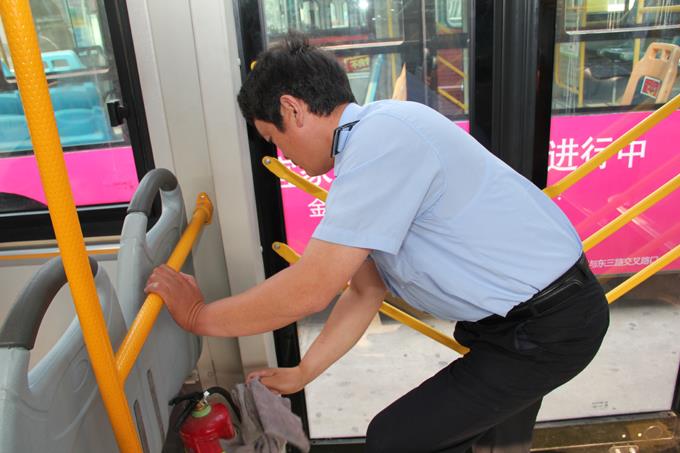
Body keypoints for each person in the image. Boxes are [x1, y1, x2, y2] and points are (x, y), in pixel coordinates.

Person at [145, 32, 610, 452]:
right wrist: (305, 371)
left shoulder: (382, 141)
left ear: (292, 109)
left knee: (395, 439)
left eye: (273, 139)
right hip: (521, 322)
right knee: (482, 438)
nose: (281, 155)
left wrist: (199, 317)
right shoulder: (371, 142)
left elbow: (312, 287)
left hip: (548, 324)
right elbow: (366, 290)